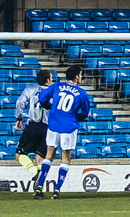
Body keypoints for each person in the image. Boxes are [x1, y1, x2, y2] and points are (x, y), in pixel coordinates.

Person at [35, 65, 92, 200]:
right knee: (65, 158)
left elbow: (42, 98)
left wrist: (50, 107)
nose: (82, 77)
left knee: (49, 156)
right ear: (77, 76)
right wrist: (75, 117)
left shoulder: (56, 86)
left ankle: (39, 186)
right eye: (81, 74)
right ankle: (57, 190)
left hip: (53, 125)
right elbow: (85, 112)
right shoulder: (82, 93)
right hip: (69, 128)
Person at [14, 69, 53, 179]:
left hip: (33, 126)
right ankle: (40, 184)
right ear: (48, 80)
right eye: (51, 79)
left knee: (19, 154)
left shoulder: (30, 89)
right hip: (47, 128)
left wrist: (19, 117)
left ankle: (33, 171)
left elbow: (20, 102)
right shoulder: (54, 91)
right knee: (40, 157)